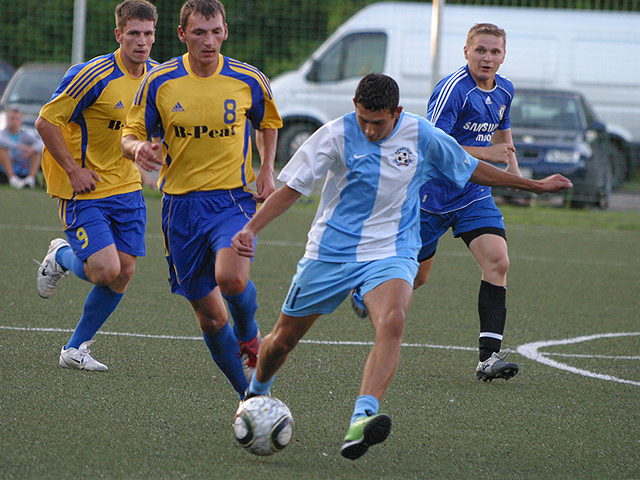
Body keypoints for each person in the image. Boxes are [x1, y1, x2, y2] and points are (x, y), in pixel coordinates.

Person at [232, 73, 571, 460]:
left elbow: (469, 168)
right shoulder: (334, 134)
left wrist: (533, 185)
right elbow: (292, 188)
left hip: (392, 251)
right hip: (330, 253)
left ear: (397, 112)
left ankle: (362, 418)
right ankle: (256, 392)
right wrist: (251, 229)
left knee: (393, 320)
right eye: (363, 119)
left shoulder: (420, 134)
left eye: (378, 122)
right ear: (355, 107)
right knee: (282, 341)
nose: (369, 130)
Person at [121, 0, 282, 400]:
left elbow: (268, 122)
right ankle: (249, 397)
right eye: (198, 33)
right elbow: (129, 135)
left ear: (225, 31)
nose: (208, 41)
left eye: (215, 32)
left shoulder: (248, 79)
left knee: (232, 278)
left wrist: (266, 169)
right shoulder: (160, 82)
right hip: (181, 208)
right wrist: (138, 149)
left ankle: (249, 333)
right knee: (210, 319)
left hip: (233, 200)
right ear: (182, 35)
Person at [34, 0, 158, 371]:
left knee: (125, 271)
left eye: (148, 33)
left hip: (127, 186)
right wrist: (73, 170)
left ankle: (75, 348)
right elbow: (45, 122)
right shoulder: (93, 74)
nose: (141, 41)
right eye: (133, 33)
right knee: (105, 269)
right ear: (119, 34)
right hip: (82, 187)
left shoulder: (158, 78)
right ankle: (61, 256)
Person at [416, 23, 523, 382]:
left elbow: (503, 131)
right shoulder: (453, 90)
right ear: (466, 52)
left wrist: (515, 174)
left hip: (473, 194)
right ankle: (366, 289)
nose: (487, 58)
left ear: (503, 56)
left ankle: (488, 359)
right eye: (480, 50)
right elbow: (433, 146)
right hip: (431, 197)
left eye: (494, 52)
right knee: (416, 277)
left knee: (498, 261)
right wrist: (486, 152)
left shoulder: (505, 89)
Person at [0, 108, 43, 189]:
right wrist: (20, 147)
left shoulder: (24, 135)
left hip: (21, 162)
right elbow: (2, 142)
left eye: (17, 119)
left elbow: (41, 143)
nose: (14, 122)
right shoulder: (2, 133)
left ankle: (30, 179)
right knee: (2, 150)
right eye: (12, 118)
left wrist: (31, 150)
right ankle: (12, 179)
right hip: (5, 164)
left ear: (21, 121)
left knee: (37, 153)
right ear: (7, 119)